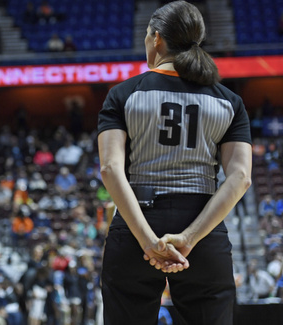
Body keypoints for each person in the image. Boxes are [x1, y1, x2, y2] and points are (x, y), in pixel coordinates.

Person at [97, 2, 252, 324]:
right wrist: (190, 238)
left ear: (156, 39)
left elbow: (110, 169)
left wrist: (147, 242)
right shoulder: (229, 101)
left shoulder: (124, 94)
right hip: (203, 225)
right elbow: (240, 177)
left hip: (136, 220)